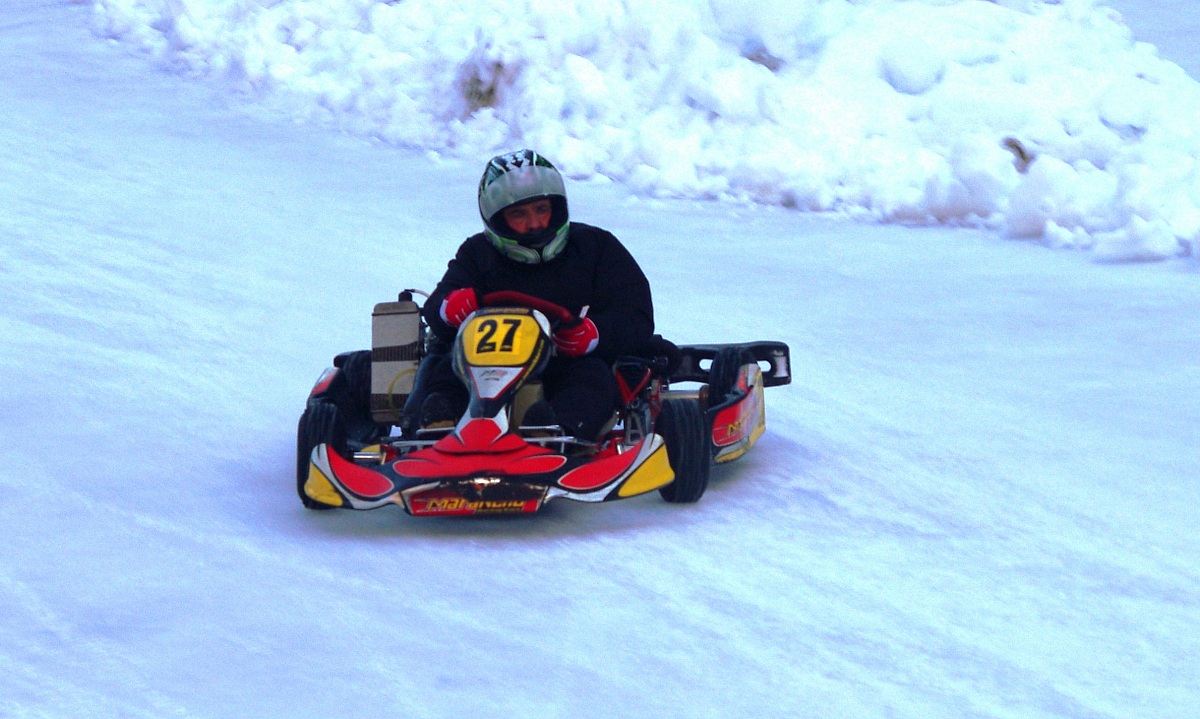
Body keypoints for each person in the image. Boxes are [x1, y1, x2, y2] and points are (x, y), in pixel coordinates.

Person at [418, 149, 654, 441]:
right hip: (485, 368)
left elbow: (635, 314)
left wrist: (594, 334)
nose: (535, 224)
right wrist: (448, 307)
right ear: (497, 219)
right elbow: (437, 306)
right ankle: (437, 430)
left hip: (563, 362)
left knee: (592, 376)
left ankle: (555, 434)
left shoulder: (596, 247)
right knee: (446, 365)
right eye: (519, 214)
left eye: (542, 209)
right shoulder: (478, 253)